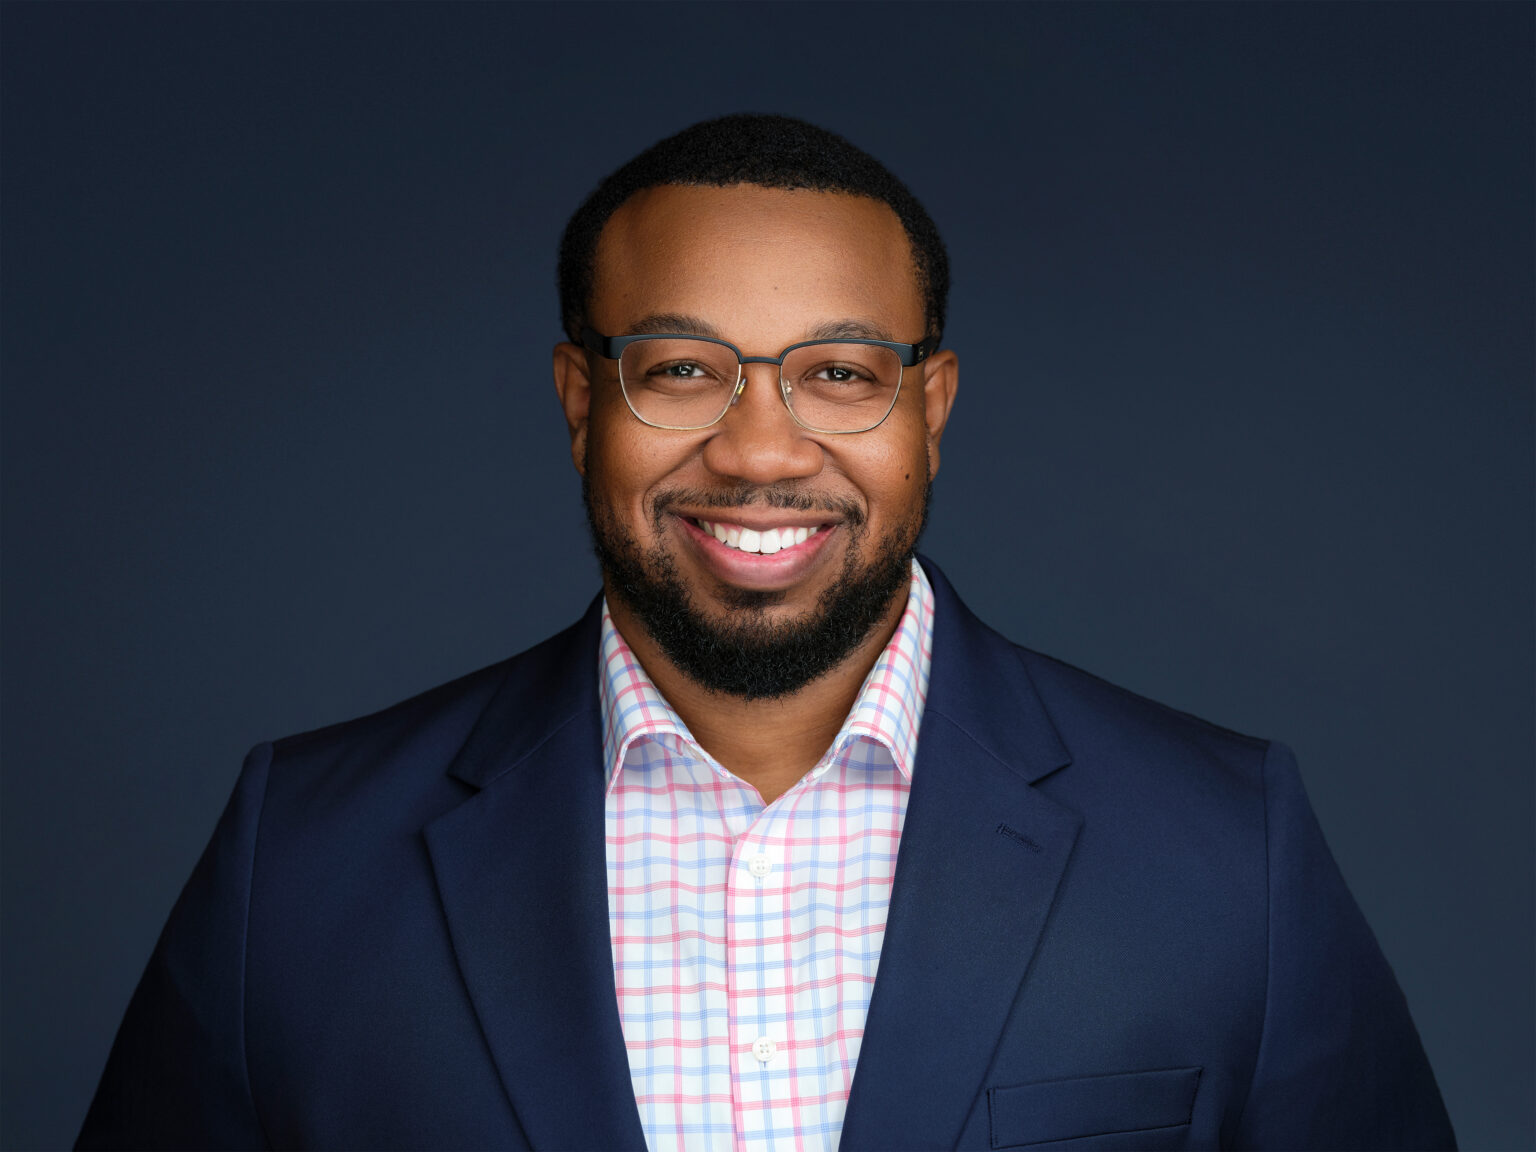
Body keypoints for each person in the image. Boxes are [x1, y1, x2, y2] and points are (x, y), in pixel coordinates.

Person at [78, 114, 1455, 1152]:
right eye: (681, 369)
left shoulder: (1225, 844)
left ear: (933, 408)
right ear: (579, 398)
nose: (756, 450)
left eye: (840, 375)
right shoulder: (304, 852)